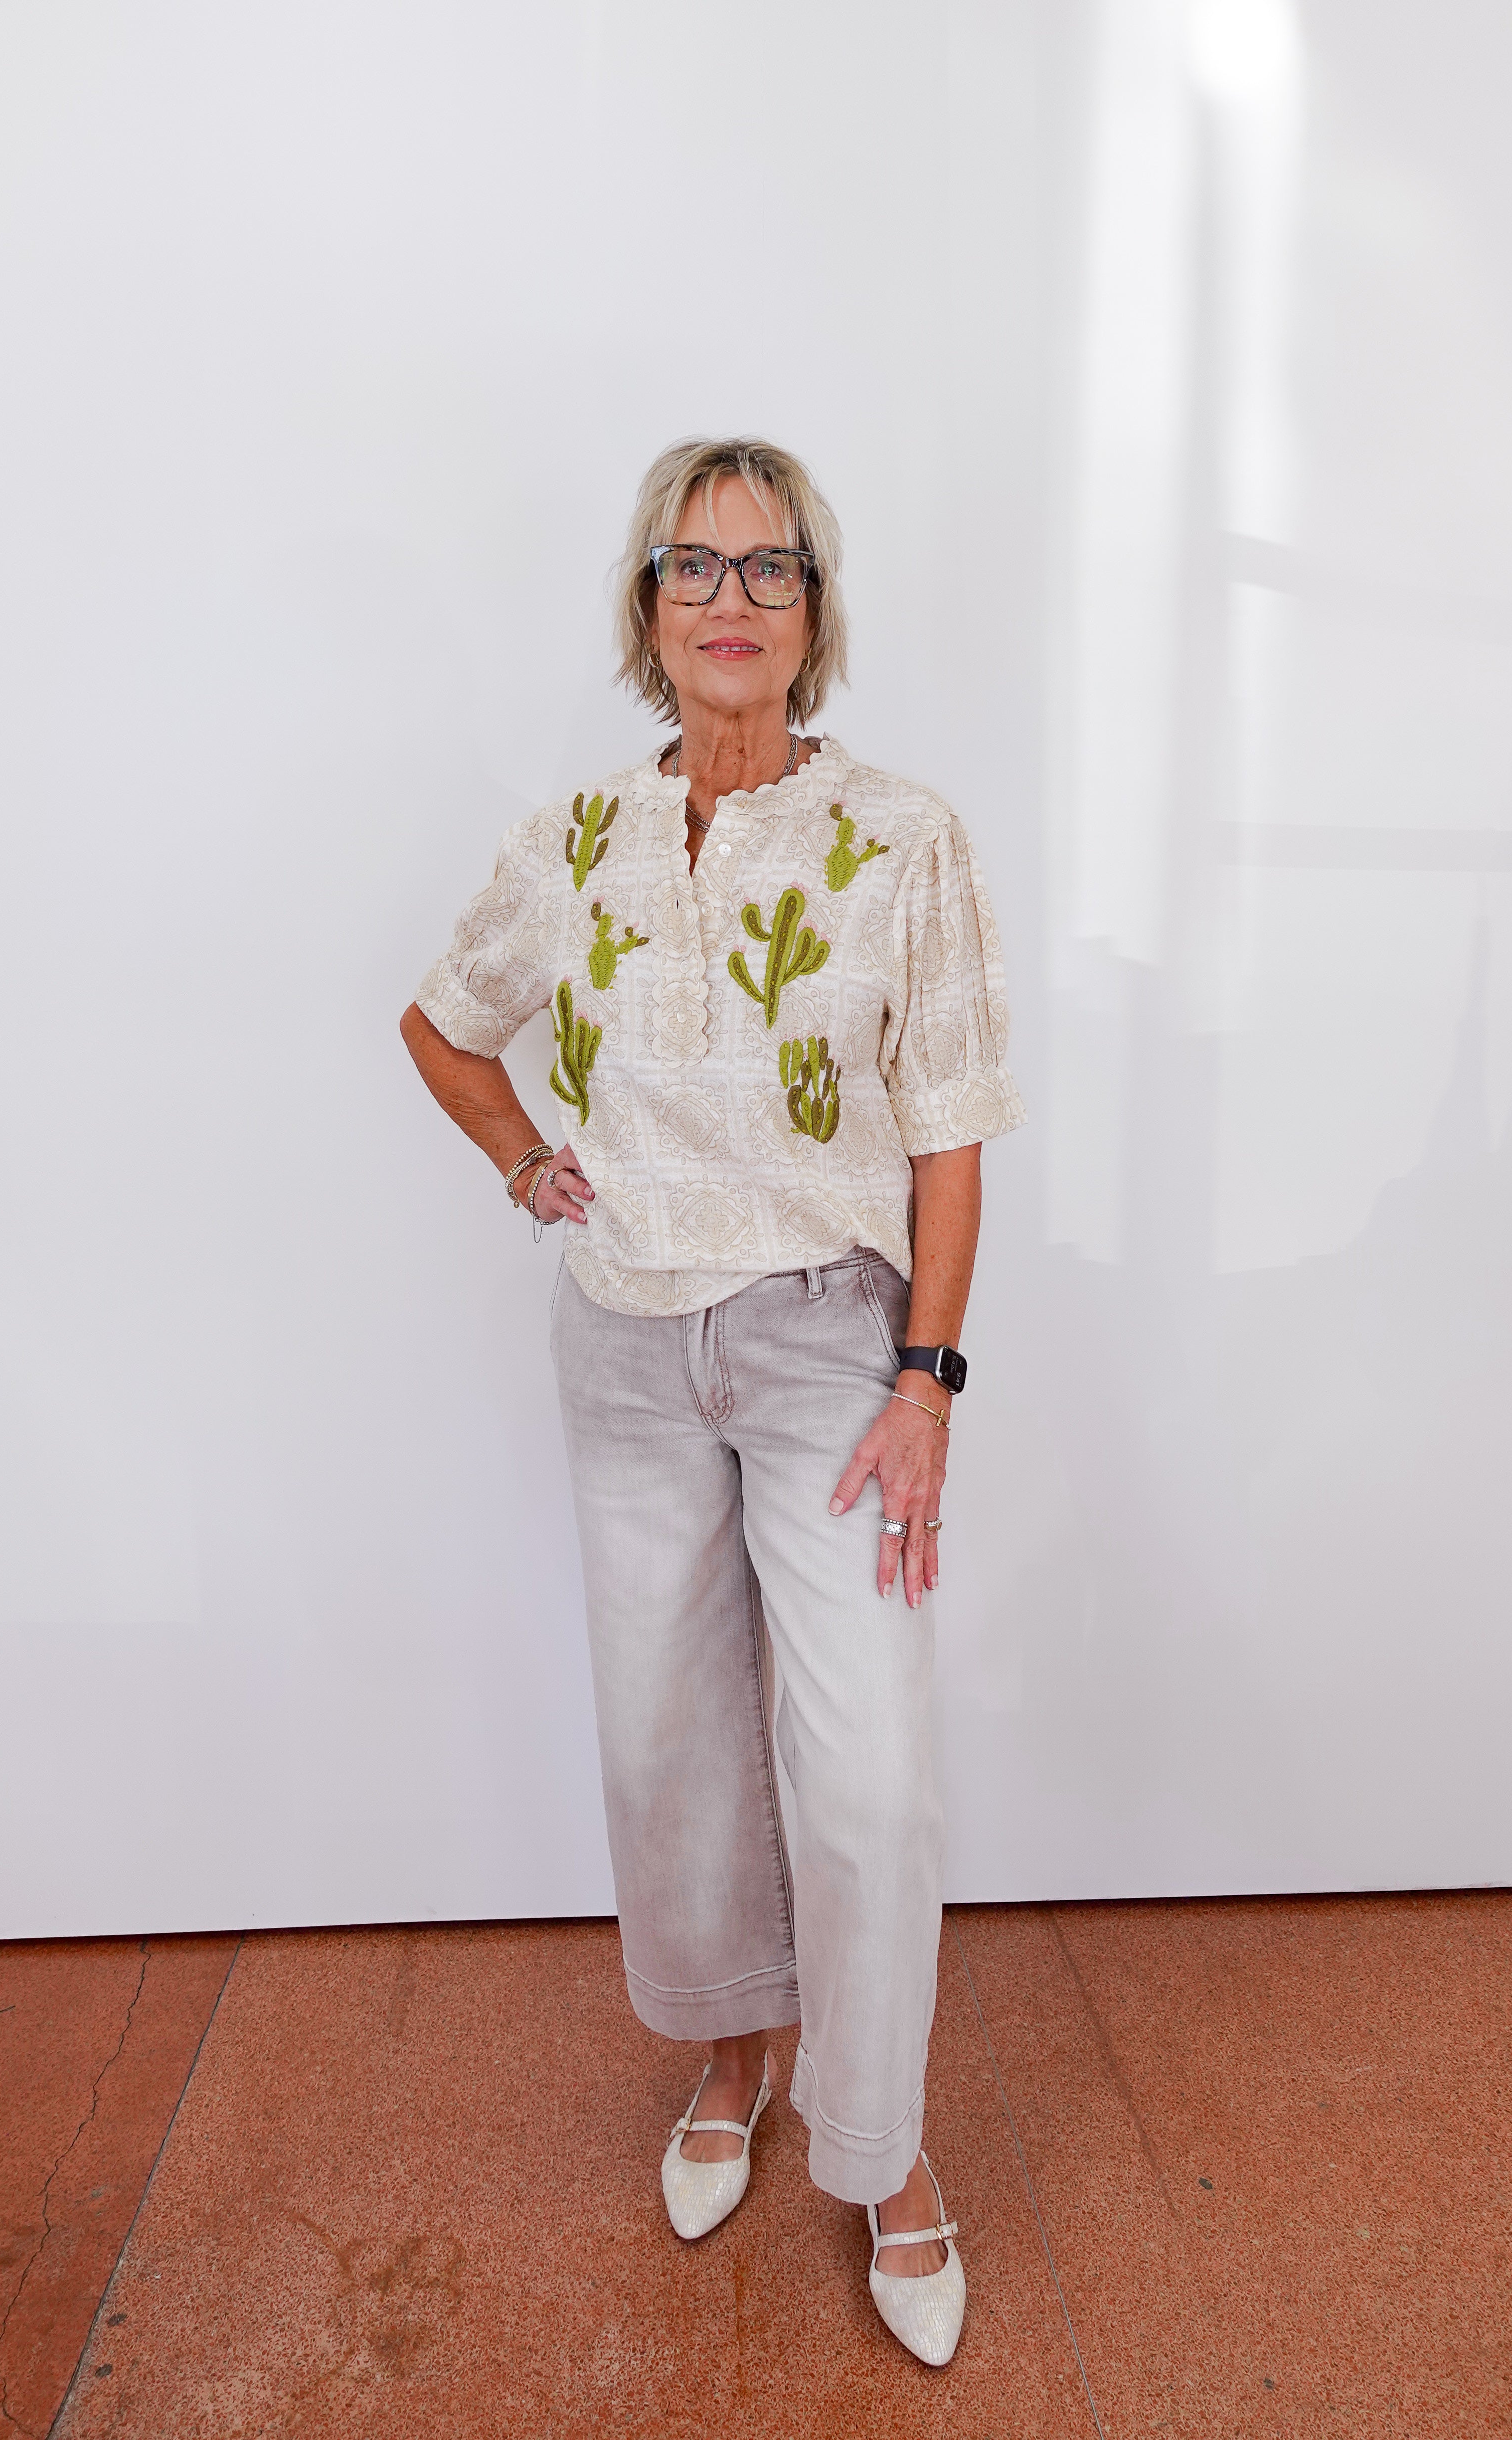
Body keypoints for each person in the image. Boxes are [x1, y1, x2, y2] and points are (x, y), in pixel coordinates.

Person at [400, 436, 1024, 2364]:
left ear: (815, 615)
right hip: (624, 1341)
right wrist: (525, 1158)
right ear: (647, 612)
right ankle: (740, 2056)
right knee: (672, 1747)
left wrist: (927, 1379)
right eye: (694, 568)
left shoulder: (898, 837)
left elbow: (949, 1132)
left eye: (769, 571)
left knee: (868, 1770)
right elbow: (442, 1022)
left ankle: (885, 2147)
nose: (729, 600)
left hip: (832, 1340)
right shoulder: (573, 842)